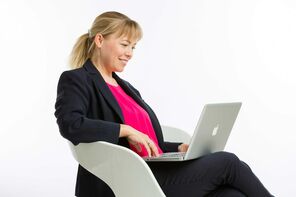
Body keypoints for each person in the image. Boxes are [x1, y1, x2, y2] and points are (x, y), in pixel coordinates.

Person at [54, 11, 273, 197]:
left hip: (155, 169)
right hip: (126, 179)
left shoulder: (126, 88)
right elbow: (70, 124)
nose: (129, 53)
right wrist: (125, 130)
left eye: (134, 47)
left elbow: (150, 143)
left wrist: (178, 148)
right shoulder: (76, 79)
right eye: (124, 44)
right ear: (100, 40)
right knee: (228, 163)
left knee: (231, 194)